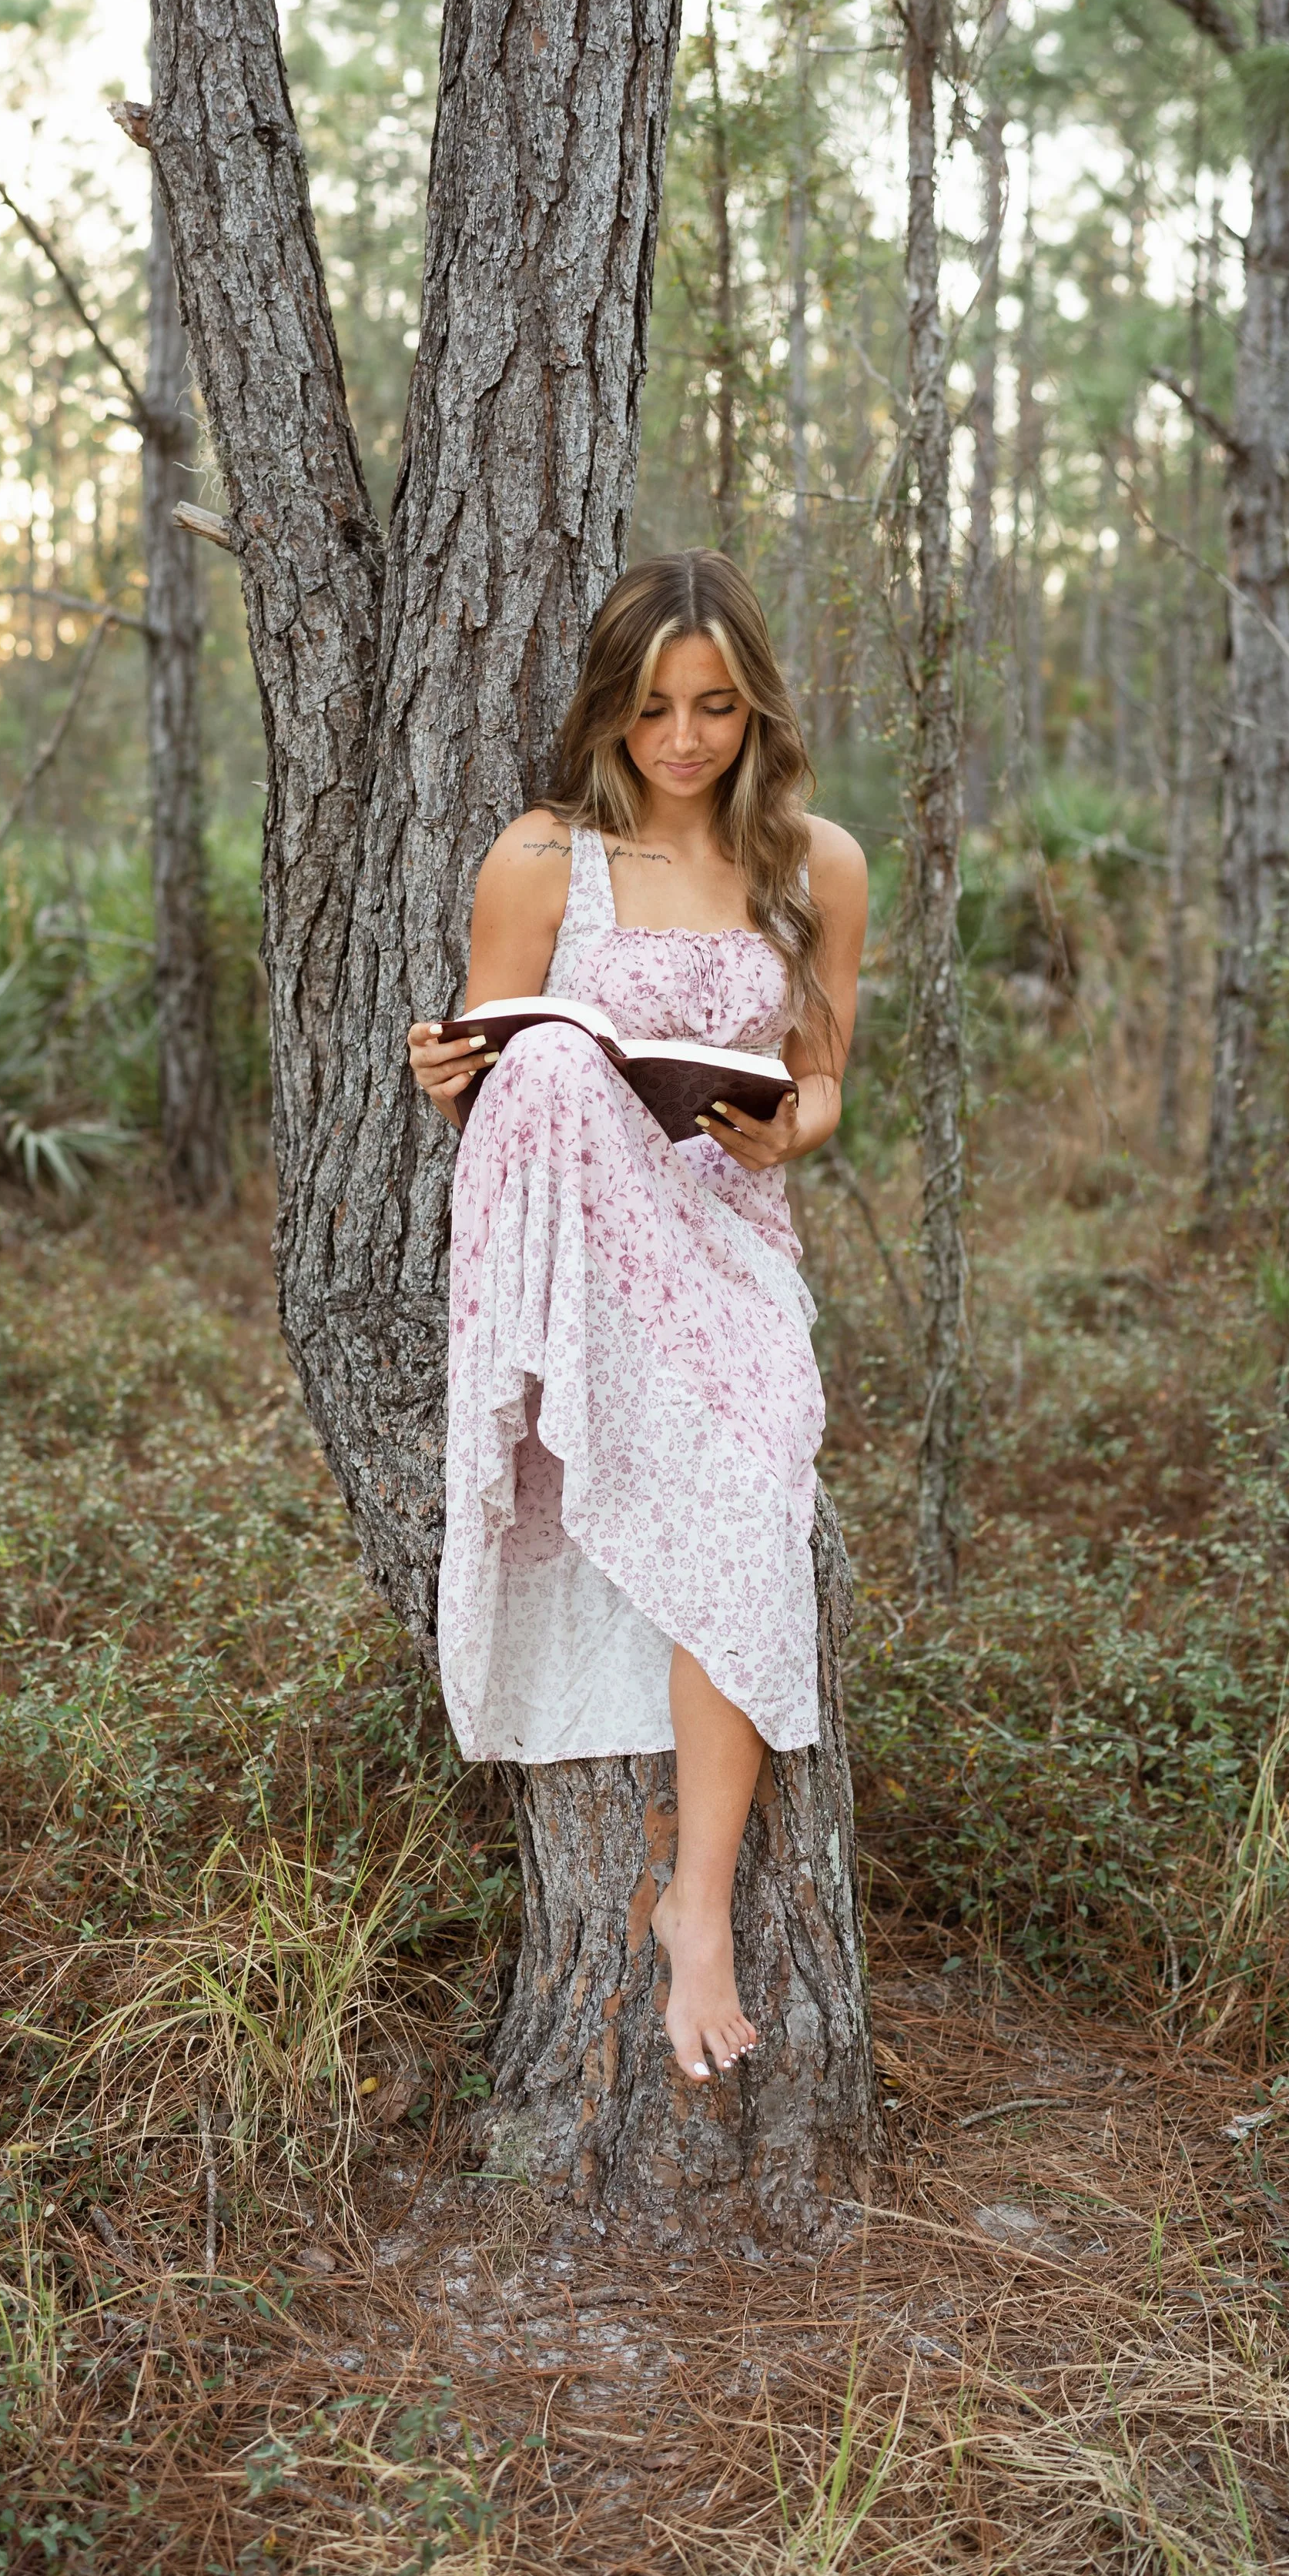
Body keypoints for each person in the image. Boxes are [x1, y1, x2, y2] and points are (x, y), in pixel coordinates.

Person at [407, 552, 866, 2086]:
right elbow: (494, 1069)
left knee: (748, 1489)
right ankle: (565, 1387)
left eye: (715, 708)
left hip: (726, 1232)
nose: (682, 739)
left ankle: (699, 1906)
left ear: (757, 709)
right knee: (548, 1062)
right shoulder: (543, 856)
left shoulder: (815, 863)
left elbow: (824, 1075)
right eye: (655, 707)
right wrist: (449, 1074)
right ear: (610, 706)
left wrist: (783, 1131)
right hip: (584, 1235)